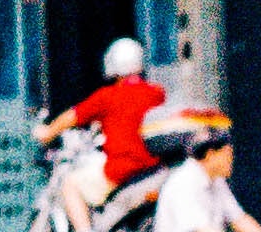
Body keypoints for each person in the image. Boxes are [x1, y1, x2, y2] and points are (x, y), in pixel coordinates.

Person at [42, 37, 175, 191]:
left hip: (121, 172)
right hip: (154, 168)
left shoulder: (107, 96)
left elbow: (72, 116)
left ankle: (82, 217)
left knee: (70, 186)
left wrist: (48, 132)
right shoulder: (157, 93)